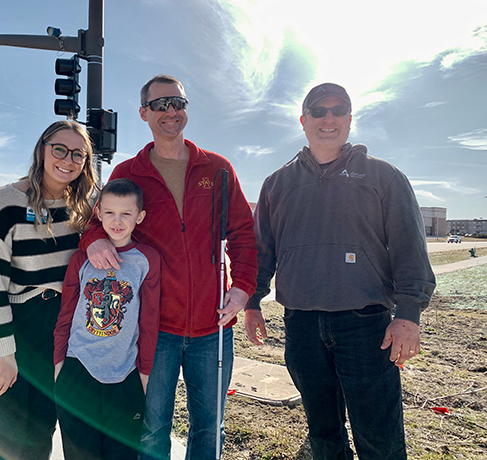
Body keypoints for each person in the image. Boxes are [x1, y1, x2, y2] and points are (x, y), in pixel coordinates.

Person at [245, 83, 436, 460]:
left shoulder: (383, 177)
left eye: (337, 110)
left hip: (366, 327)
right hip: (301, 326)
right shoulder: (277, 184)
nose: (328, 118)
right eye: (318, 110)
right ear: (303, 121)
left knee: (378, 437)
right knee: (324, 434)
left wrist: (408, 315)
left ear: (349, 120)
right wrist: (253, 301)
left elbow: (409, 248)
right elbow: (262, 250)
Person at [80, 74, 258, 460]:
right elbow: (99, 220)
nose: (170, 112)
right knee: (151, 427)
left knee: (209, 427)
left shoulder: (218, 168)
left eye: (177, 103)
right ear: (143, 113)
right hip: (153, 326)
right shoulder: (128, 172)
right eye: (160, 105)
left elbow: (244, 232)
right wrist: (94, 239)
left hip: (213, 327)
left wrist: (243, 287)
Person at [0, 120, 97, 460]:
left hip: (59, 330)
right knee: (8, 438)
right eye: (59, 149)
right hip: (12, 326)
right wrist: (5, 355)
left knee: (40, 433)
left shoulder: (84, 207)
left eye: (78, 155)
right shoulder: (5, 201)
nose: (67, 160)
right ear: (42, 149)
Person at [53, 178, 161, 460]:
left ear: (140, 217)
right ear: (98, 213)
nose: (117, 220)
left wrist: (144, 374)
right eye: (110, 212)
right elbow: (66, 312)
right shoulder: (81, 259)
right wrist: (58, 363)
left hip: (124, 375)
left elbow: (149, 321)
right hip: (78, 370)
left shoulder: (147, 259)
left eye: (126, 213)